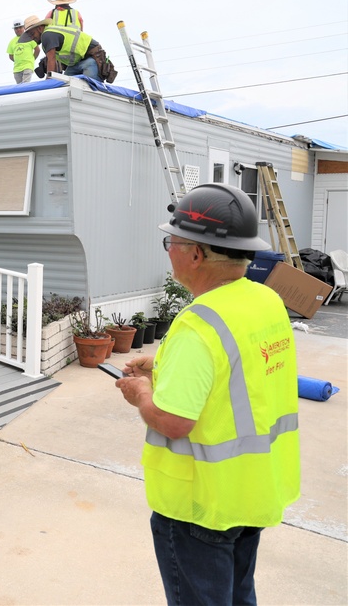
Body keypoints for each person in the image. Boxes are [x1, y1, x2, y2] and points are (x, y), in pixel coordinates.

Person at [114, 183, 300, 606]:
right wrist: (162, 371)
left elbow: (174, 421)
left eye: (171, 242)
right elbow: (236, 375)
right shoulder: (266, 301)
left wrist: (142, 392)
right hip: (251, 492)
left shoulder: (198, 325)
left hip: (200, 507)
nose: (169, 251)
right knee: (238, 596)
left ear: (195, 254)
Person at [21, 16, 116, 83]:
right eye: (29, 35)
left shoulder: (47, 35)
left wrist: (48, 81)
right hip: (76, 63)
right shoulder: (50, 34)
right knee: (65, 84)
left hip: (92, 58)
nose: (32, 37)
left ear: (40, 28)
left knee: (90, 87)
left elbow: (52, 59)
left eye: (32, 34)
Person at [7, 18, 39, 84]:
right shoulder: (12, 42)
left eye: (20, 27)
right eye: (16, 28)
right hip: (17, 68)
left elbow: (37, 50)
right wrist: (18, 60)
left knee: (25, 85)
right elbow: (10, 56)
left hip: (28, 66)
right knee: (19, 87)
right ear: (14, 30)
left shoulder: (30, 37)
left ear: (24, 27)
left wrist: (32, 59)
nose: (18, 29)